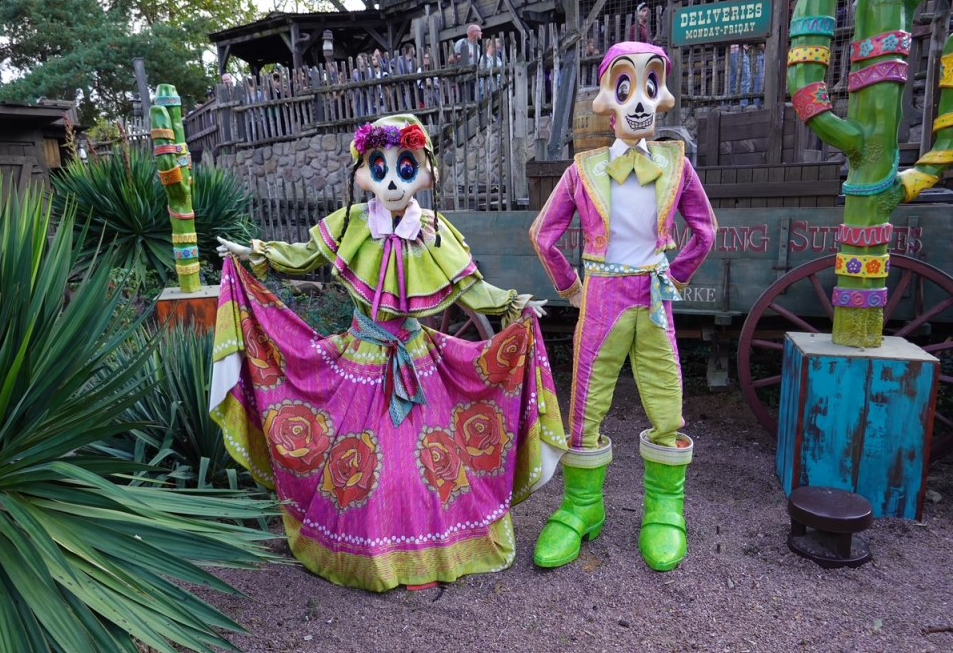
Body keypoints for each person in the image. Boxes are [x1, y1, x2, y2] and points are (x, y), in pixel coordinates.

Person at [212, 113, 567, 592]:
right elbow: (302, 255)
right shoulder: (353, 225)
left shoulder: (435, 233)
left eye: (406, 166)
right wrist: (254, 254)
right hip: (362, 358)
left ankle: (430, 553)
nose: (393, 180)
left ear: (427, 172)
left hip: (417, 360)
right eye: (378, 168)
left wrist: (512, 305)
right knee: (363, 468)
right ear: (363, 174)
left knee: (424, 466)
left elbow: (471, 289)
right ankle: (365, 556)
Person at [529, 42, 717, 573]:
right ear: (607, 100)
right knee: (586, 400)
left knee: (667, 397)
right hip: (604, 294)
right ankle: (582, 506)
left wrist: (673, 275)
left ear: (663, 99)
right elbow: (545, 235)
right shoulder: (582, 170)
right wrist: (572, 288)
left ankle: (664, 507)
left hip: (653, 296)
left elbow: (705, 231)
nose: (639, 101)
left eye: (650, 86)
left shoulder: (677, 164)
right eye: (626, 85)